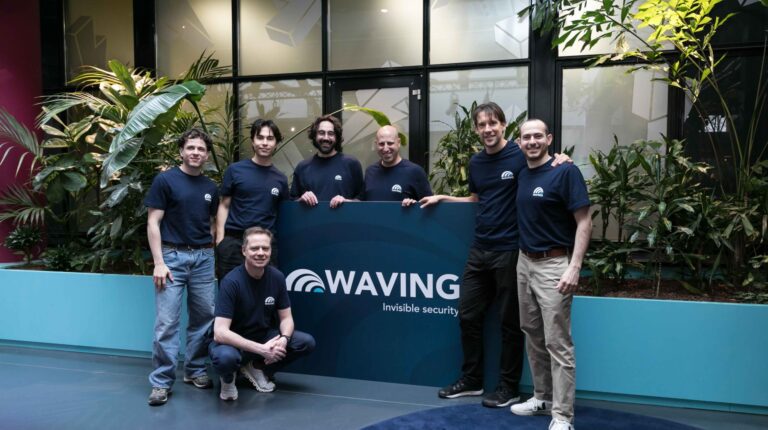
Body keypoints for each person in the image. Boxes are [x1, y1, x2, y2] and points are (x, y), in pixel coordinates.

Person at [420, 103, 570, 409]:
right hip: (480, 249)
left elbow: (546, 166)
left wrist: (562, 159)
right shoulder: (476, 162)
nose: (488, 129)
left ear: (503, 126)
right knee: (468, 314)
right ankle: (472, 380)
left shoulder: (519, 154)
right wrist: (443, 197)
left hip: (510, 250)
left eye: (493, 123)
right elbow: (477, 199)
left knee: (509, 323)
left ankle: (508, 387)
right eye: (482, 125)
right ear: (476, 129)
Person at [510, 119, 591, 430]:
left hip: (555, 265)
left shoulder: (565, 171)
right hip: (524, 263)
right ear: (519, 143)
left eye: (537, 136)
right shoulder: (521, 173)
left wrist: (575, 266)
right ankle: (542, 398)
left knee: (558, 342)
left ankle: (563, 416)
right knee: (532, 332)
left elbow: (584, 222)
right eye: (526, 137)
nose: (531, 141)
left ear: (549, 139)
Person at [145, 128, 219, 406]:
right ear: (181, 151)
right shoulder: (165, 181)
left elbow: (210, 225)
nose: (196, 153)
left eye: (201, 149)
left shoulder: (211, 188)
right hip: (171, 258)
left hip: (203, 259)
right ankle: (162, 382)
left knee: (203, 319)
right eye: (191, 148)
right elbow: (153, 223)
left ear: (206, 154)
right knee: (167, 323)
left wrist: (210, 255)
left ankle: (195, 370)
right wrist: (159, 263)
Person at [209, 227, 316, 401]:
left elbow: (286, 318)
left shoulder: (277, 277)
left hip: (263, 336)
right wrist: (261, 349)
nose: (260, 253)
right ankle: (228, 380)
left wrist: (284, 339)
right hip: (233, 342)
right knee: (225, 358)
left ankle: (257, 367)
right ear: (244, 251)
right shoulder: (231, 282)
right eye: (254, 248)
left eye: (265, 248)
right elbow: (220, 332)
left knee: (305, 342)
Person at [215, 119, 288, 278]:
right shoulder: (235, 170)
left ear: (276, 143)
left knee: (265, 295)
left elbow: (282, 213)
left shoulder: (280, 179)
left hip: (265, 245)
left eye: (270, 139)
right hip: (233, 243)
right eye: (260, 138)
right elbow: (224, 206)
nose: (265, 143)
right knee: (230, 295)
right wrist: (220, 241)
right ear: (253, 141)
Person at [290, 114, 363, 208]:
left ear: (336, 137)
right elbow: (291, 203)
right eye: (321, 133)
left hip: (344, 222)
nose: (326, 138)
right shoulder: (302, 167)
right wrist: (301, 199)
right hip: (311, 222)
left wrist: (347, 201)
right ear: (314, 136)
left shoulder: (351, 164)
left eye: (331, 133)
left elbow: (362, 200)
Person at [363, 125, 432, 206]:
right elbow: (361, 202)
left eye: (390, 143)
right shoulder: (370, 172)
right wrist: (345, 200)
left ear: (398, 143)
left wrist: (414, 206)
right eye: (381, 144)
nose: (385, 148)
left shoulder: (415, 172)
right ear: (376, 144)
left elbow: (429, 207)